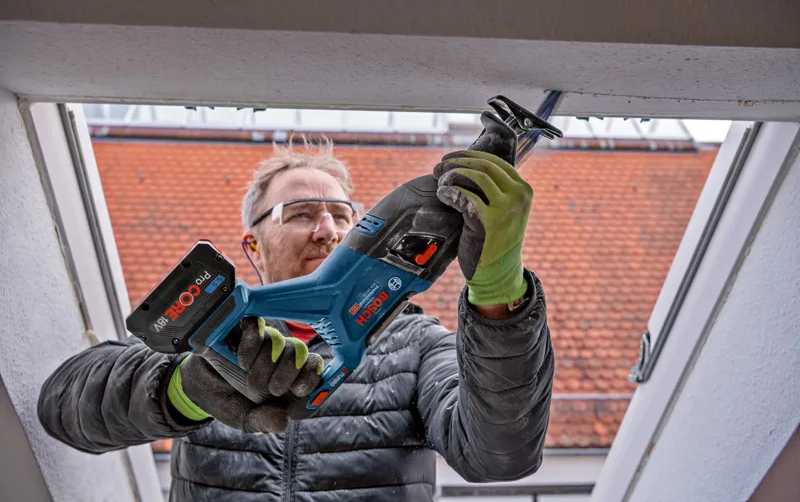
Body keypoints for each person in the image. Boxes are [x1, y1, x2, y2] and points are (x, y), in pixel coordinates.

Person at [38, 112, 555, 501]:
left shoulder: (415, 346)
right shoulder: (205, 333)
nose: (327, 229)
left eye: (340, 215)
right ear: (253, 246)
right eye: (300, 213)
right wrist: (185, 388)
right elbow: (63, 407)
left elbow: (500, 455)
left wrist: (499, 295)